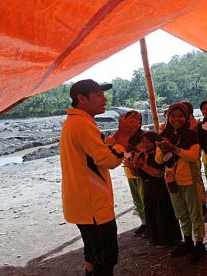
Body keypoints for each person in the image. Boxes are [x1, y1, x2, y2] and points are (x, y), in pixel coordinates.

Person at [60, 79, 139, 276]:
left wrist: (118, 136)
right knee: (105, 257)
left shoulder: (76, 121)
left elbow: (94, 152)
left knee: (93, 253)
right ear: (81, 98)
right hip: (93, 205)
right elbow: (108, 160)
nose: (104, 99)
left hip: (83, 203)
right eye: (98, 95)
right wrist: (124, 137)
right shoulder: (82, 124)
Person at [155, 103, 206, 264]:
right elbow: (158, 160)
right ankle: (188, 241)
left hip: (189, 180)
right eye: (173, 116)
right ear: (168, 117)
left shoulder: (191, 134)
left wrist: (173, 148)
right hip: (171, 180)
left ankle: (199, 245)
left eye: (180, 116)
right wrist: (164, 149)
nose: (176, 119)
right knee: (181, 213)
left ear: (186, 118)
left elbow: (193, 156)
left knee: (195, 214)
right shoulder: (163, 134)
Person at [129, 131, 182, 247]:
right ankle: (155, 238)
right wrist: (133, 168)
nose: (145, 145)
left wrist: (142, 166)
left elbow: (158, 174)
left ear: (155, 142)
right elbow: (139, 174)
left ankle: (166, 239)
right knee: (151, 212)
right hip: (148, 187)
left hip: (160, 188)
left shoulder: (158, 155)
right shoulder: (142, 155)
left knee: (161, 213)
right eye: (143, 142)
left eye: (148, 142)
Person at [121, 111, 146, 236]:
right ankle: (144, 223)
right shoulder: (123, 137)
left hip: (143, 172)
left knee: (144, 198)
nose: (134, 123)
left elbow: (150, 152)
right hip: (129, 171)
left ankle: (151, 224)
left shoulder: (145, 135)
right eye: (130, 120)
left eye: (137, 120)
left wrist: (134, 148)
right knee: (137, 200)